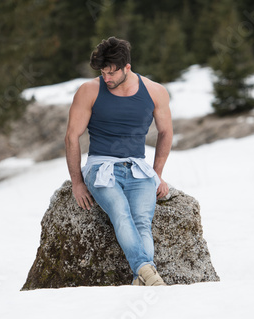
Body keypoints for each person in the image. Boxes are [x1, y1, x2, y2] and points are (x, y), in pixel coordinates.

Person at [65, 37, 173, 286]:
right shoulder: (89, 90)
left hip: (138, 167)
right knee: (121, 214)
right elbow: (72, 136)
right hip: (100, 167)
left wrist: (157, 173)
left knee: (142, 222)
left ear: (127, 67)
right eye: (103, 72)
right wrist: (77, 182)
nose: (107, 78)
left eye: (111, 72)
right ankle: (149, 272)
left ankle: (141, 277)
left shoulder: (155, 91)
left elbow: (166, 132)